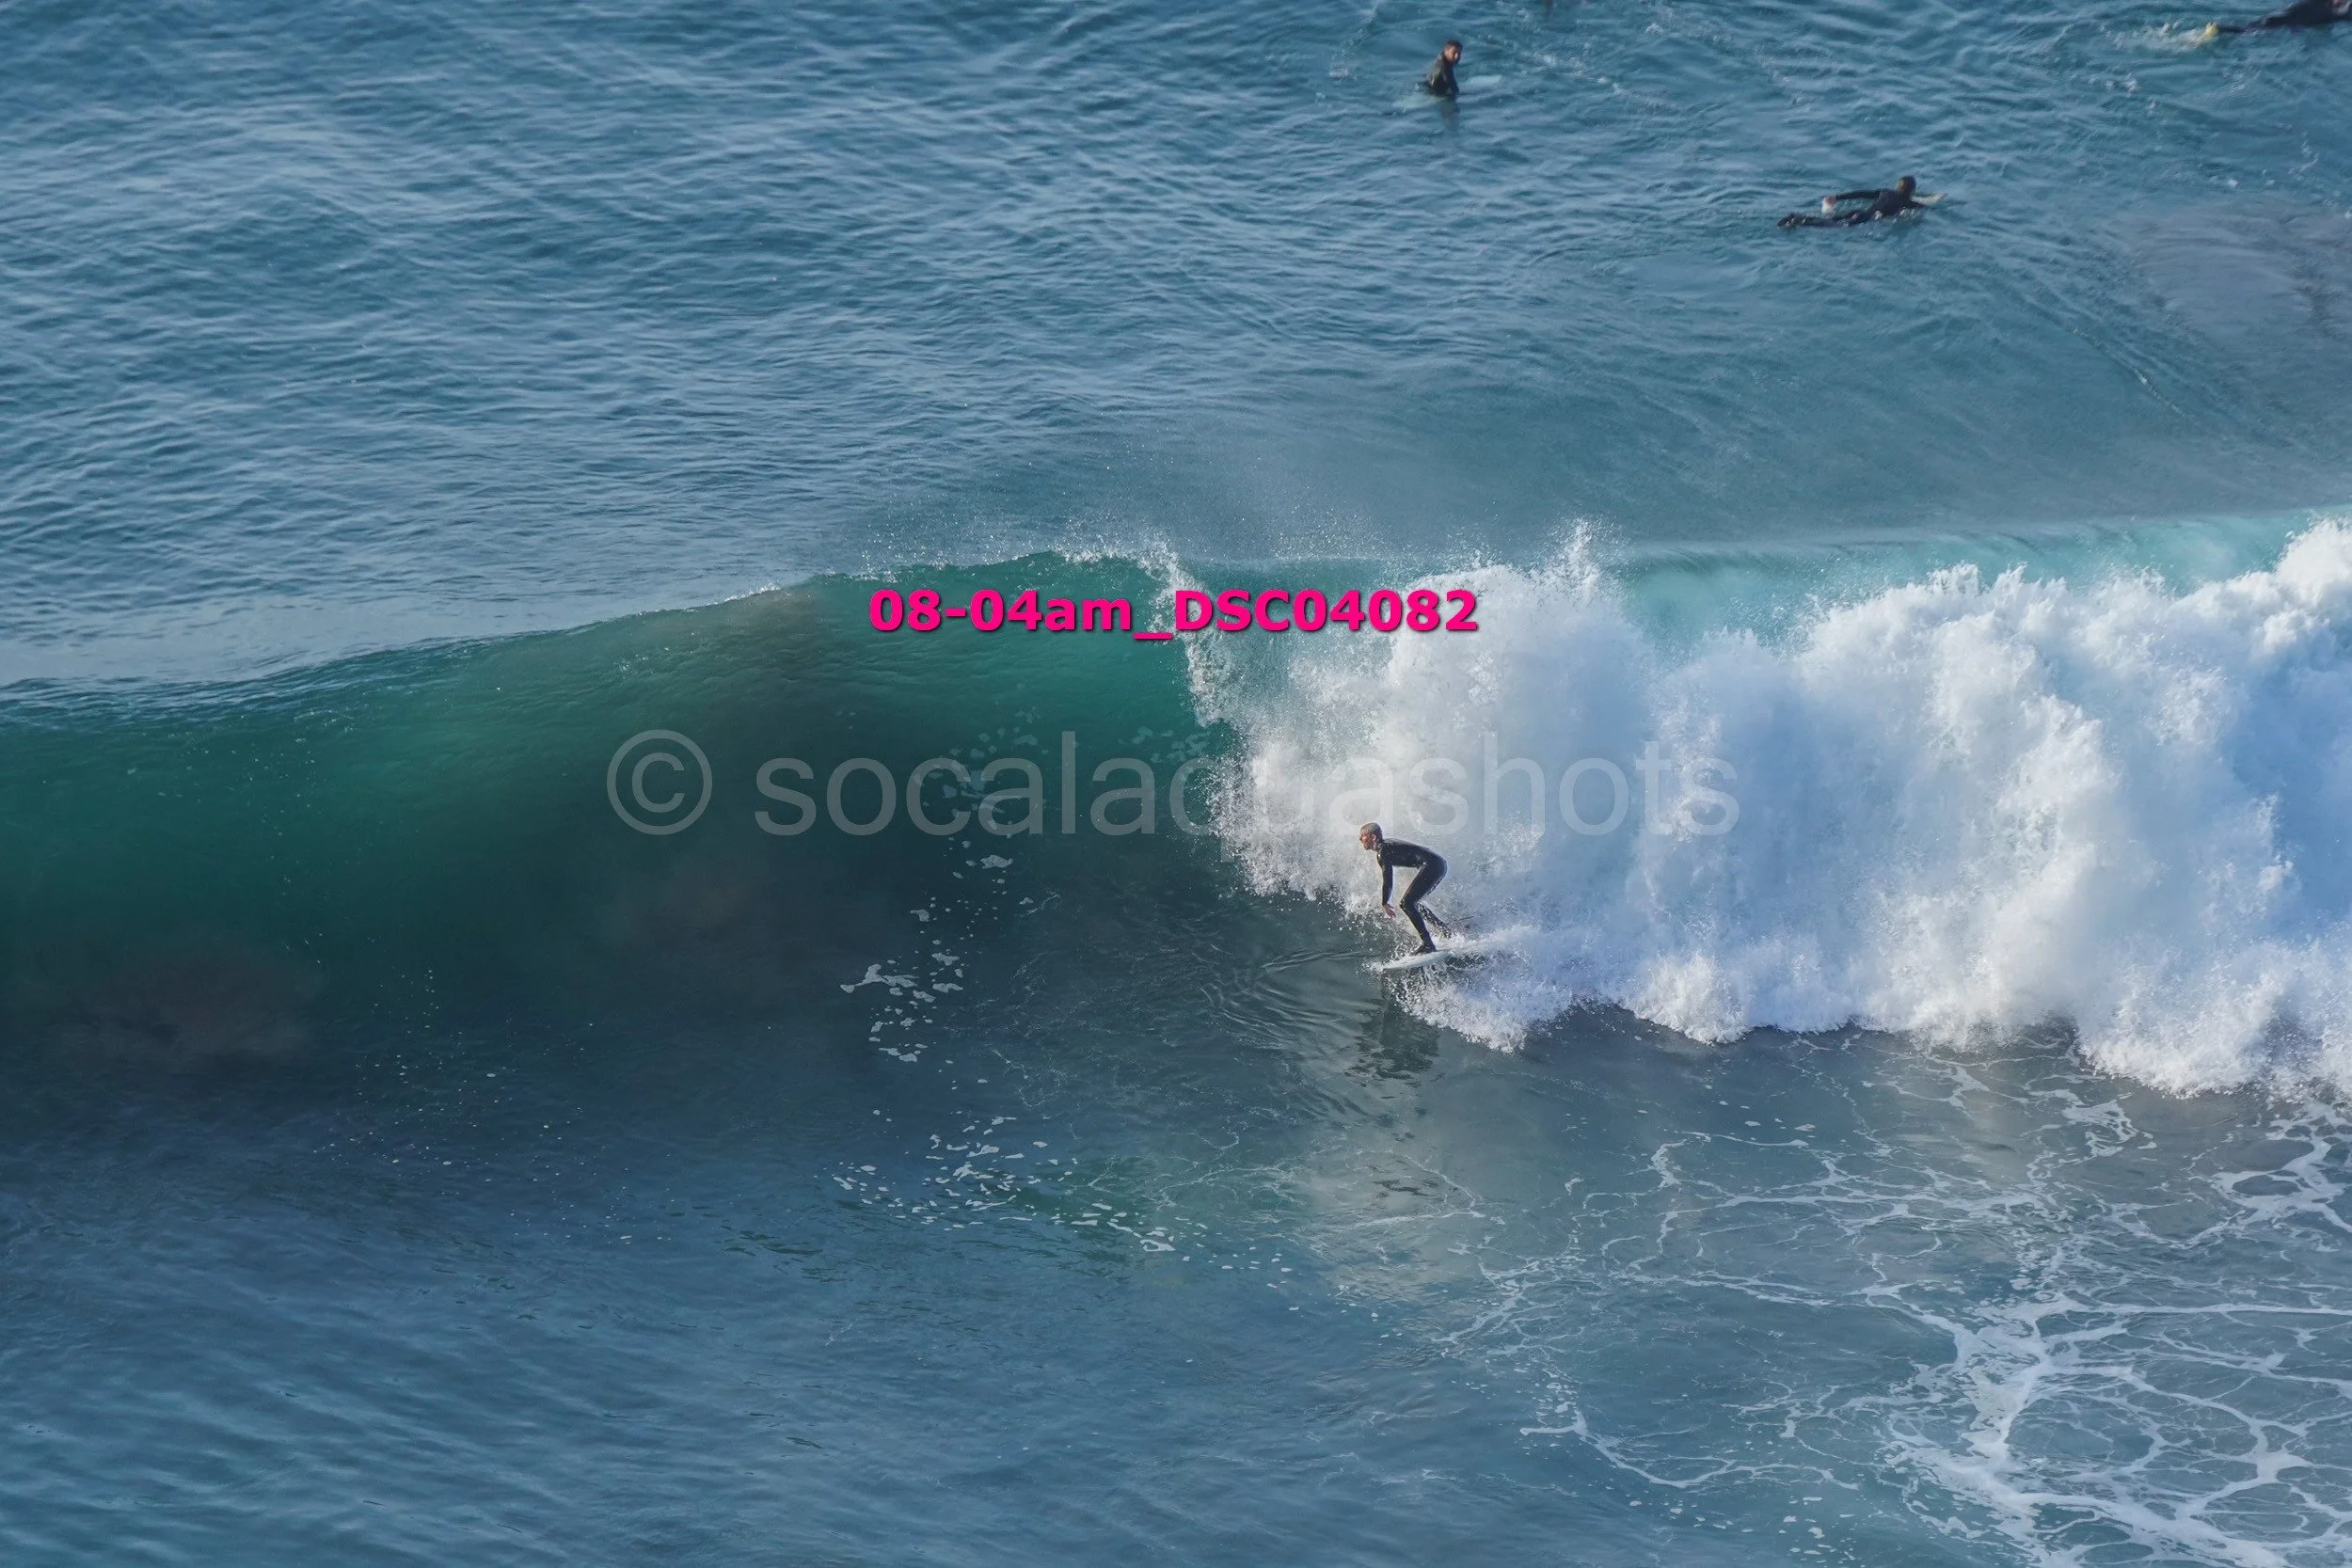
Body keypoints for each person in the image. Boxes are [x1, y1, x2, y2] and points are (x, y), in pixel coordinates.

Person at [1360, 823, 1451, 954]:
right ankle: (1444, 930)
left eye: (1362, 836)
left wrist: (1385, 902)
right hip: (1438, 864)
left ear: (1373, 837)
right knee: (1413, 903)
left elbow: (1388, 879)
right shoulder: (1386, 846)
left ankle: (1428, 944)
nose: (1360, 839)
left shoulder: (1383, 852)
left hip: (1433, 866)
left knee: (1406, 904)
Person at [1778, 176, 1929, 229]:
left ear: (1898, 186)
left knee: (1829, 221)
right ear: (1912, 191)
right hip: (1865, 219)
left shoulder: (1885, 192)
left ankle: (1798, 218)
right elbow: (1923, 207)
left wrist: (1837, 197)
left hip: (1858, 212)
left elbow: (1861, 194)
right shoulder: (1908, 204)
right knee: (1829, 227)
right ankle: (1798, 220)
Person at [2208, 0, 2348, 31]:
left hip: (2276, 17)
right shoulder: (2330, 13)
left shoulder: (2315, 4)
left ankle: (2218, 28)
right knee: (2248, 30)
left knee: (2249, 27)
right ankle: (2220, 29)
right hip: (2281, 23)